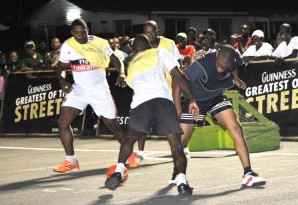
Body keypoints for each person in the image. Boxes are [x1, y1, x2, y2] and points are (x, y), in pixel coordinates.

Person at [105, 33, 199, 195]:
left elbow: (132, 84)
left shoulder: (132, 64)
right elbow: (179, 76)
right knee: (176, 145)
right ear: (149, 45)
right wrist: (192, 99)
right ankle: (182, 182)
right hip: (162, 100)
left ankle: (119, 170)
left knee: (130, 139)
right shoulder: (159, 52)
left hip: (141, 103)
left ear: (134, 51)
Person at [170, 44, 266, 187]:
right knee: (181, 141)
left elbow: (234, 67)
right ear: (216, 58)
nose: (221, 70)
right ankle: (177, 170)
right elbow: (178, 80)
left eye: (224, 68)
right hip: (194, 100)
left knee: (236, 129)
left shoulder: (233, 60)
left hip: (216, 97)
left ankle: (248, 173)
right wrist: (178, 106)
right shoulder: (202, 64)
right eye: (219, 67)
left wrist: (236, 79)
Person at [53, 18, 127, 173]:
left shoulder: (100, 43)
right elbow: (61, 67)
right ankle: (71, 161)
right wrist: (62, 80)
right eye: (77, 33)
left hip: (99, 89)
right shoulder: (68, 45)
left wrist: (121, 73)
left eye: (83, 31)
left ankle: (130, 154)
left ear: (88, 29)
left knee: (112, 124)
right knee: (63, 123)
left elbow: (115, 59)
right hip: (79, 89)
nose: (80, 36)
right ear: (72, 33)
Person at [127, 20, 183, 168]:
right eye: (147, 32)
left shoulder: (168, 44)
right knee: (143, 120)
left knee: (174, 120)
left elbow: (178, 64)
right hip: (150, 88)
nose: (150, 35)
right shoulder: (141, 49)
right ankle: (140, 152)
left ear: (157, 31)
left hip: (169, 87)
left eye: (152, 31)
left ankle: (181, 146)